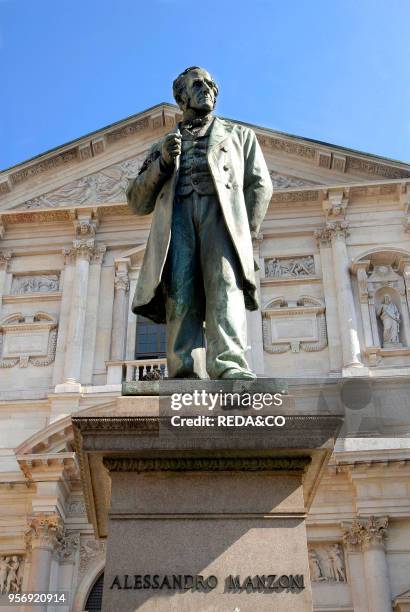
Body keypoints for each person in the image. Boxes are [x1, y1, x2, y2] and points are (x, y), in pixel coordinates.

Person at [127, 67, 272, 379]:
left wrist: (244, 234)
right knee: (180, 292)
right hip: (178, 219)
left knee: (224, 287)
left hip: (220, 220)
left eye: (210, 84)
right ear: (181, 97)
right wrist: (163, 162)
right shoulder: (163, 145)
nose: (206, 89)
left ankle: (229, 364)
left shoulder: (239, 136)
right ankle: (184, 370)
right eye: (197, 84)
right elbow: (136, 201)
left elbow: (260, 185)